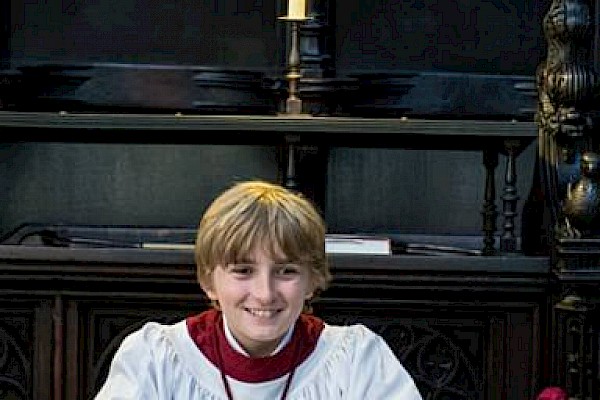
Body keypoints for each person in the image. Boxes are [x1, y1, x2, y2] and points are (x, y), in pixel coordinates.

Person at [95, 180, 423, 399]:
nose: (264, 293)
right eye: (243, 270)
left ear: (313, 280)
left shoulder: (357, 359)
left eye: (286, 271)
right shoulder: (155, 358)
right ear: (208, 280)